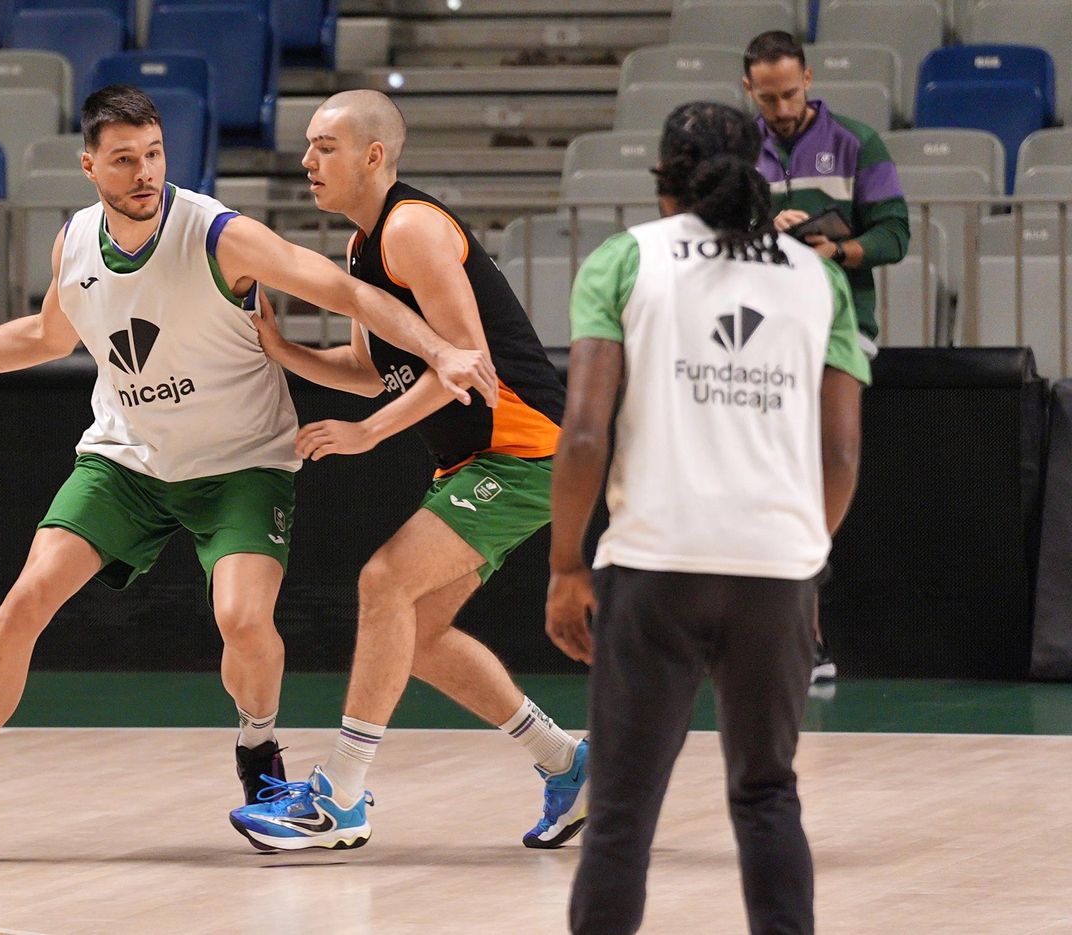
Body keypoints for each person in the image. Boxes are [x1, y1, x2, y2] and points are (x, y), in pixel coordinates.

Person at [0, 85, 499, 869]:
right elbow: (48, 333)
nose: (144, 171)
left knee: (244, 620)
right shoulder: (75, 242)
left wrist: (440, 349)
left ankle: (258, 749)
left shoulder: (220, 234)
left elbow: (345, 289)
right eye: (124, 159)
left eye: (154, 153)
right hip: (127, 460)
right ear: (90, 167)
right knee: (25, 600)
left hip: (241, 463)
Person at [227, 90, 587, 853]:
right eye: (307, 145)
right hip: (477, 458)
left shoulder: (413, 229)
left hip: (525, 449)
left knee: (382, 581)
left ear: (373, 155)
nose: (306, 161)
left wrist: (367, 437)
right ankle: (567, 761)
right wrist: (282, 349)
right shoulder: (361, 250)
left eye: (324, 145)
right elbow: (372, 368)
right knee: (415, 635)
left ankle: (342, 797)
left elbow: (464, 363)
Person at [545, 101, 868, 933]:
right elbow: (839, 456)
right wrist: (807, 558)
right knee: (767, 793)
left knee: (620, 806)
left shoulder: (624, 260)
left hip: (655, 565)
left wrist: (565, 564)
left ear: (663, 178)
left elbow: (583, 431)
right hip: (776, 571)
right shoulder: (818, 275)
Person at [743, 29, 907, 684]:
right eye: (767, 97)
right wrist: (762, 229)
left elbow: (895, 232)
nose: (781, 108)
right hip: (755, 325)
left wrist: (833, 250)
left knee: (832, 457)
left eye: (790, 93)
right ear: (748, 90)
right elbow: (707, 227)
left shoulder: (858, 143)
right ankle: (792, 623)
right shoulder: (737, 150)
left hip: (840, 317)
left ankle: (805, 587)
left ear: (808, 79)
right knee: (769, 469)